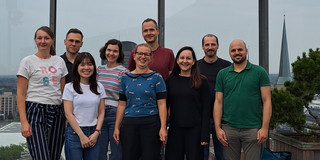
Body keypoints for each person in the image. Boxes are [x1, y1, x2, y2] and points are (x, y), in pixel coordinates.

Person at [213, 39, 272, 160]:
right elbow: (218, 102)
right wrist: (218, 128)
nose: (237, 52)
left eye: (240, 49)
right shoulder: (222, 74)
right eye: (233, 50)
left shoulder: (259, 72)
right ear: (229, 53)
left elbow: (267, 101)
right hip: (229, 129)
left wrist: (265, 128)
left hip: (253, 129)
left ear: (246, 51)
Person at [16, 26, 68, 160]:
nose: (43, 41)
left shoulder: (59, 61)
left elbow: (63, 93)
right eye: (39, 38)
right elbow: (21, 94)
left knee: (54, 156)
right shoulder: (27, 61)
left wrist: (67, 117)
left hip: (57, 112)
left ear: (52, 40)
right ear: (35, 40)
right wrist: (24, 122)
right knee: (41, 156)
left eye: (46, 38)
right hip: (35, 110)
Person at [113, 43, 167, 160]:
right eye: (140, 53)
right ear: (134, 56)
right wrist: (117, 127)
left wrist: (163, 127)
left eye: (146, 54)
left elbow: (162, 104)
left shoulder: (157, 77)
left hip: (151, 124)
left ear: (151, 58)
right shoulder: (125, 78)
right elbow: (122, 104)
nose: (143, 57)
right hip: (129, 125)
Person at [165, 46, 211, 160]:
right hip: (174, 130)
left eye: (188, 58)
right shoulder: (170, 81)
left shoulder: (202, 81)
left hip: (195, 131)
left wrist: (205, 135)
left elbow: (206, 109)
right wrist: (162, 128)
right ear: (177, 60)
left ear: (193, 61)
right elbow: (164, 107)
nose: (184, 61)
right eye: (182, 58)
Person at [62, 52, 106, 160]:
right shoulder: (69, 87)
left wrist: (97, 132)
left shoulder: (99, 87)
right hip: (74, 133)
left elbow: (101, 112)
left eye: (89, 64)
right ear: (76, 67)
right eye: (82, 65)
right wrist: (81, 135)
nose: (86, 68)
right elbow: (68, 114)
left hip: (93, 133)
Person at [198, 34, 231, 160]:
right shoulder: (195, 67)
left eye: (213, 44)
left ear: (217, 46)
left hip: (223, 118)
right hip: (201, 118)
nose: (210, 47)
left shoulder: (227, 66)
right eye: (207, 44)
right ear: (202, 47)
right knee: (202, 155)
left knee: (223, 156)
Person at [97, 39, 128, 160]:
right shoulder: (98, 70)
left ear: (119, 54)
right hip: (99, 113)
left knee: (116, 151)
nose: (111, 53)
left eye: (115, 51)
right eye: (109, 50)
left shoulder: (124, 72)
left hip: (116, 113)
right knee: (99, 151)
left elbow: (124, 98)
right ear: (105, 51)